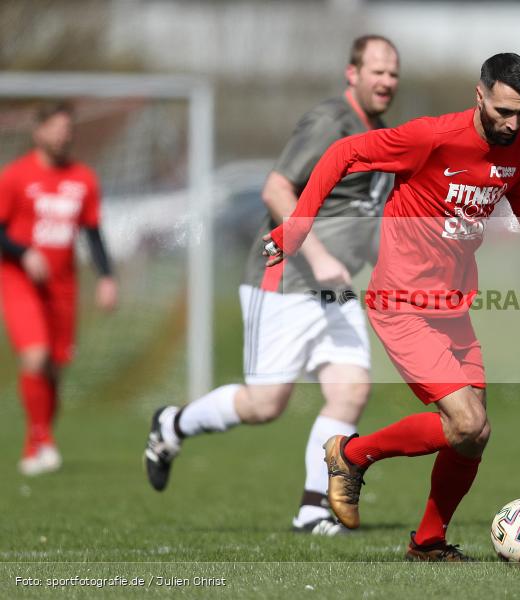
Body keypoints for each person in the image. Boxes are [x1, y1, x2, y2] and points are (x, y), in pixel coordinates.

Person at [263, 52, 520, 560]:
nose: (512, 124)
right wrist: (298, 226)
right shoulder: (432, 136)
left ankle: (427, 543)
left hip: (453, 306)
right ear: (480, 95)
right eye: (503, 111)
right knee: (465, 422)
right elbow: (342, 154)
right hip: (401, 300)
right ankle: (351, 455)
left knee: (474, 436)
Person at [143, 35, 400, 536]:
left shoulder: (383, 134)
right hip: (285, 278)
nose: (387, 81)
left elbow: (363, 216)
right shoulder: (331, 121)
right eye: (377, 71)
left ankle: (312, 510)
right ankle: (172, 424)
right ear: (352, 73)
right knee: (265, 405)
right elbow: (277, 189)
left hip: (334, 288)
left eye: (393, 73)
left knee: (350, 390)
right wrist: (322, 256)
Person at [0, 101, 117, 476]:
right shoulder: (15, 176)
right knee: (34, 356)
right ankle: (44, 441)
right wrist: (23, 253)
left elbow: (93, 232)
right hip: (19, 280)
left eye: (68, 128)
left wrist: (106, 277)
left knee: (53, 370)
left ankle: (36, 443)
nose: (63, 135)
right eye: (55, 127)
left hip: (62, 285)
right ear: (38, 132)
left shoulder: (83, 178)